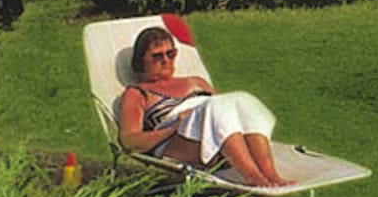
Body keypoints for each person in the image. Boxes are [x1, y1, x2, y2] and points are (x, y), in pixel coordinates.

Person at [117, 24, 290, 188]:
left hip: (215, 135)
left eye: (171, 53)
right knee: (217, 105)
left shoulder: (196, 82)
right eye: (157, 56)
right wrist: (173, 127)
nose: (165, 60)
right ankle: (254, 177)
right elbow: (129, 140)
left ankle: (271, 174)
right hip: (176, 140)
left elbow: (226, 116)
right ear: (140, 61)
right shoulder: (138, 93)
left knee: (242, 98)